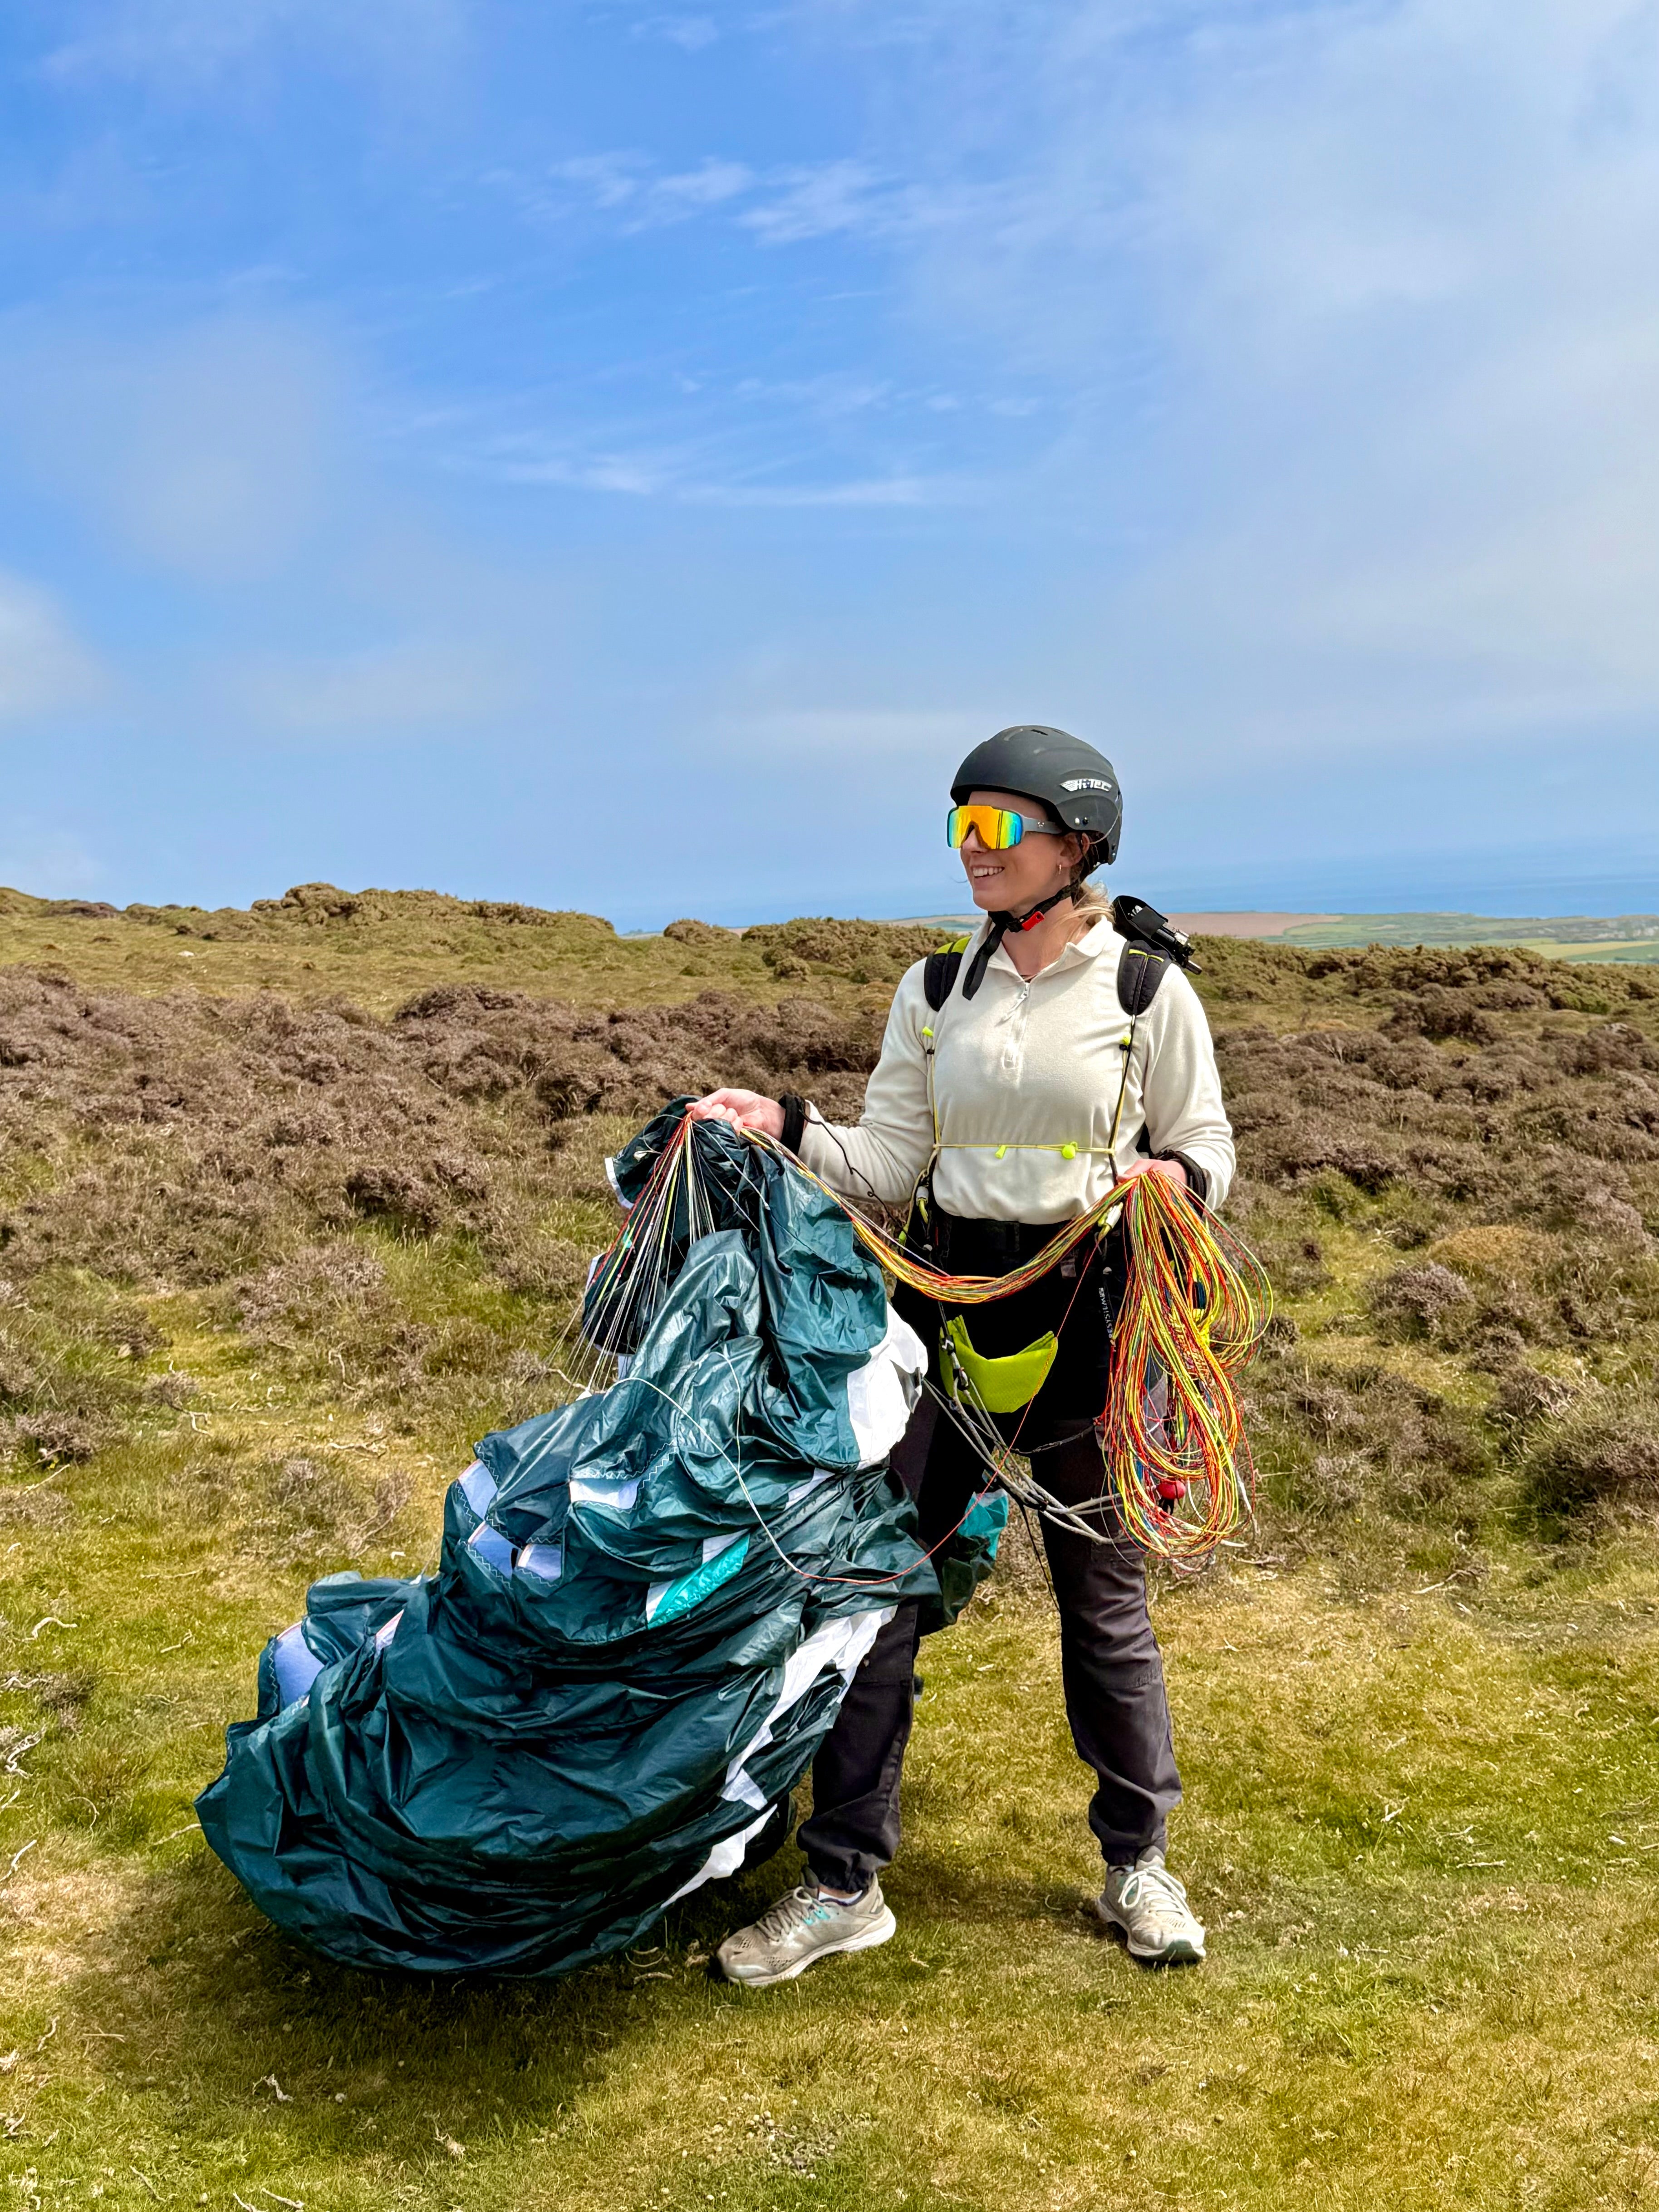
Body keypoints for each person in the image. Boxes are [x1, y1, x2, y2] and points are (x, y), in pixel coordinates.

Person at [688, 724, 1235, 1985]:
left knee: (1102, 1607)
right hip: (942, 1317)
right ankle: (841, 1882)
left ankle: (1138, 1864)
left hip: (1086, 1323)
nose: (972, 853)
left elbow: (1206, 1143)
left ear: (1077, 841)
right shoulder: (935, 992)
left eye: (997, 828)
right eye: (961, 828)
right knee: (877, 1587)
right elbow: (886, 1165)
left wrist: (1175, 1180)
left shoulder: (1147, 992)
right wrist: (778, 1123)